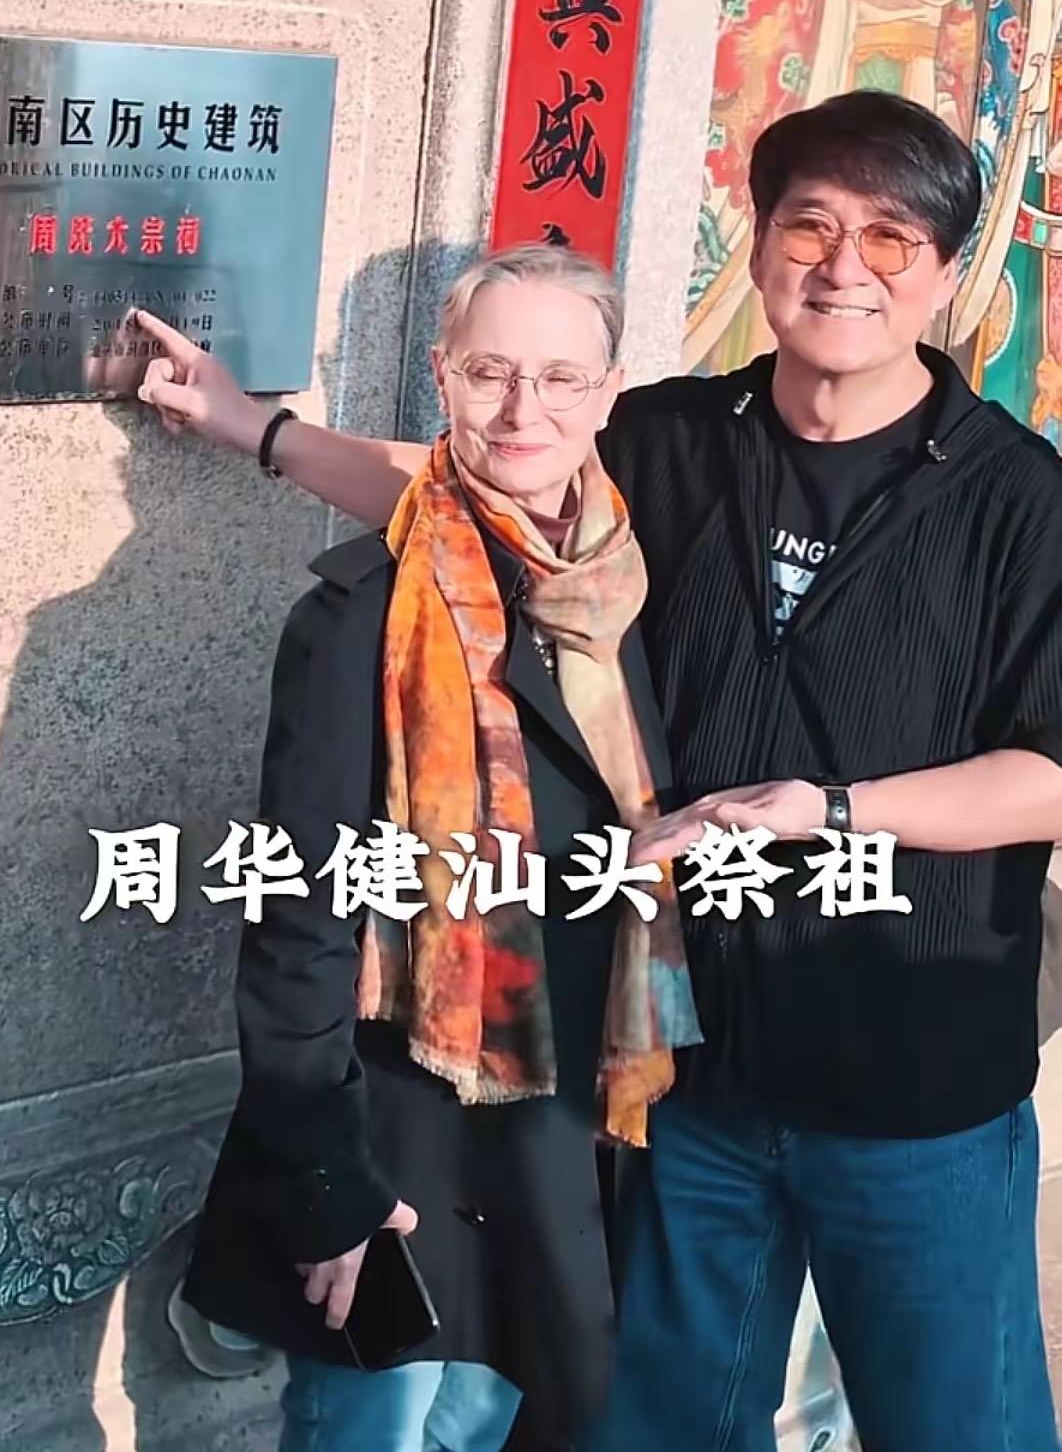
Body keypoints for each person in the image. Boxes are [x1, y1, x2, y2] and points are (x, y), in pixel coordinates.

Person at [139, 90, 1062, 1450]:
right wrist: (255, 428)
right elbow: (480, 489)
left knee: (955, 1425)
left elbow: (1048, 769)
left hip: (910, 1084)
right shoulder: (680, 439)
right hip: (686, 1085)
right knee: (667, 1425)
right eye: (809, 228)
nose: (842, 270)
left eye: (888, 239)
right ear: (757, 242)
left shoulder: (1019, 499)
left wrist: (831, 809)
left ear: (943, 272)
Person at [175, 243, 700, 1452]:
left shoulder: (626, 590)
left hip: (562, 1146)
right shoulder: (363, 612)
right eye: (490, 371)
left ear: (610, 394)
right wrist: (328, 1182)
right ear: (440, 375)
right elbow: (299, 917)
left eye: (561, 378)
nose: (524, 409)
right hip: (401, 1150)